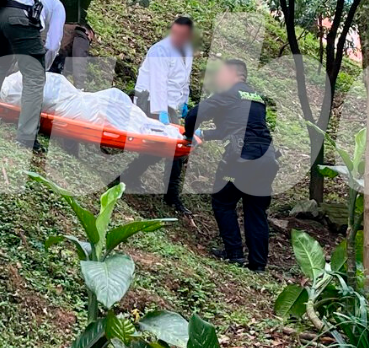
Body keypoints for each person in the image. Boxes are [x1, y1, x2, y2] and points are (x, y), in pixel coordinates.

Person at [183, 59, 278, 272]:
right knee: (256, 209)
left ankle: (234, 253)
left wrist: (188, 135)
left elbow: (193, 115)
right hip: (267, 158)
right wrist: (205, 134)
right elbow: (239, 128)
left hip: (242, 159)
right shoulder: (256, 98)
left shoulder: (227, 93)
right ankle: (258, 265)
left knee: (223, 201)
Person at [110, 17, 195, 214]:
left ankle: (127, 177)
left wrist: (183, 104)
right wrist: (162, 113)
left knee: (162, 148)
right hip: (150, 101)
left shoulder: (187, 52)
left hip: (171, 103)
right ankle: (171, 194)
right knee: (175, 147)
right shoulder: (161, 50)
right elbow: (158, 83)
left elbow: (184, 82)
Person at [0, 0, 66, 149]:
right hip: (17, 18)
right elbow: (52, 45)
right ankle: (27, 137)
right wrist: (42, 70)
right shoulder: (57, 5)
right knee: (34, 78)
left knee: (0, 61)